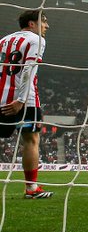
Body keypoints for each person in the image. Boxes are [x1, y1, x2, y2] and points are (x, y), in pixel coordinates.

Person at [0, 10, 52, 198]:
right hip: (25, 101)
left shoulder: (4, 41)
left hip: (1, 96)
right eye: (44, 22)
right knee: (31, 140)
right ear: (32, 24)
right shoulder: (36, 39)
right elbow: (29, 69)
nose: (47, 26)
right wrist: (20, 100)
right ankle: (31, 189)